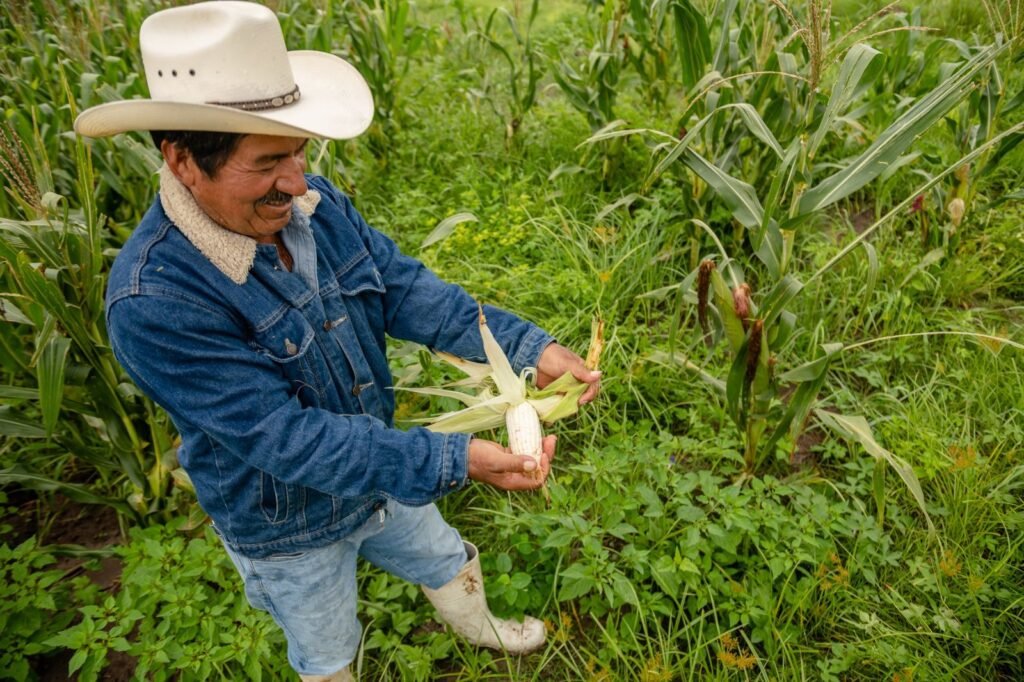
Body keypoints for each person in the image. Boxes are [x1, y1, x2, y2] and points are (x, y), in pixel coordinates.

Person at [74, 2, 600, 680]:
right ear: (183, 161)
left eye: (298, 151)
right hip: (286, 525)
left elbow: (404, 289)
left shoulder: (313, 206)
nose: (297, 182)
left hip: (384, 472)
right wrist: (455, 459)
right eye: (268, 161)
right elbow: (287, 441)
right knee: (326, 644)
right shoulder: (155, 302)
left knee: (442, 555)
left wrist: (527, 347)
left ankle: (481, 625)